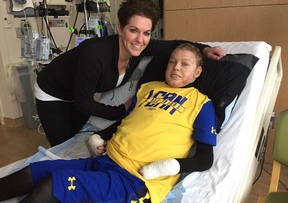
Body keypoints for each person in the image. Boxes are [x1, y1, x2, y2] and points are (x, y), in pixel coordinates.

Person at [0, 43, 217, 203]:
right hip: (104, 161)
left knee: (53, 185)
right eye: (172, 61)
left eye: (185, 64)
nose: (176, 67)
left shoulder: (201, 104)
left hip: (134, 180)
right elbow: (127, 122)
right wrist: (99, 137)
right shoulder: (148, 88)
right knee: (33, 173)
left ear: (197, 72)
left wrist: (169, 166)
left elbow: (205, 159)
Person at [34, 0, 225, 146]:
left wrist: (205, 49)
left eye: (146, 32)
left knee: (76, 136)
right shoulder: (95, 56)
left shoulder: (142, 48)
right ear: (120, 28)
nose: (139, 39)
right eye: (133, 30)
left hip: (78, 92)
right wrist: (122, 110)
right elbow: (84, 104)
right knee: (62, 144)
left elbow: (175, 44)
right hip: (52, 92)